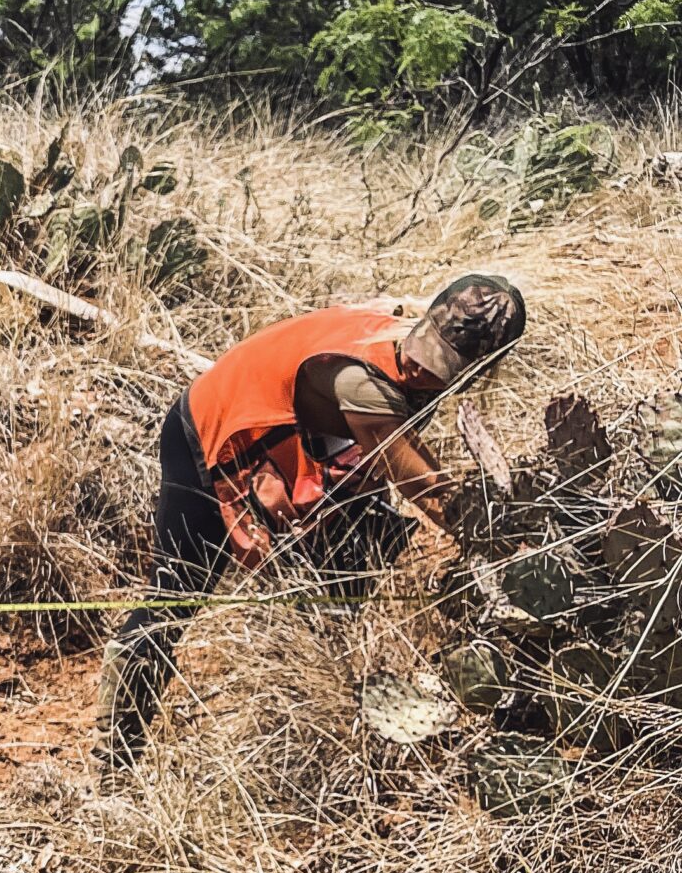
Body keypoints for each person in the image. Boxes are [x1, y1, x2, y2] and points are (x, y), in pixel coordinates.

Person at [98, 272, 528, 769]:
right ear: (424, 321)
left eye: (442, 368)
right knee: (172, 602)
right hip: (211, 431)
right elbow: (428, 494)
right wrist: (509, 545)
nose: (418, 368)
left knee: (354, 554)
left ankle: (318, 705)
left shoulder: (395, 356)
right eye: (423, 349)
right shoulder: (364, 381)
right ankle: (114, 759)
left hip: (291, 439)